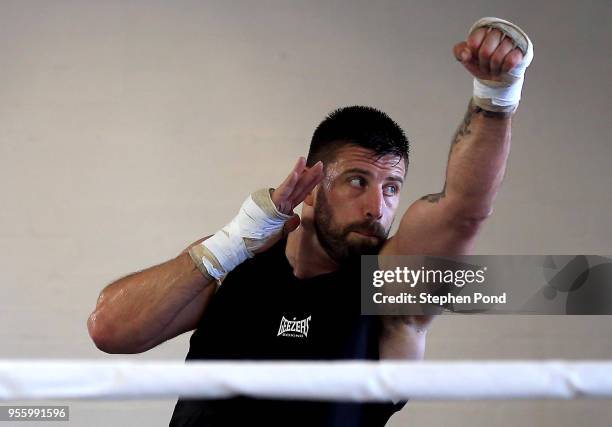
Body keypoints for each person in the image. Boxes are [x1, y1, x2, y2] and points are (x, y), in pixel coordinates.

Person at [87, 17, 533, 427]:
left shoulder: (390, 286)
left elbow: (463, 209)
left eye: (392, 187)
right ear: (314, 187)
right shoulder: (239, 258)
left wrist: (496, 98)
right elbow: (109, 330)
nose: (377, 207)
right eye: (358, 181)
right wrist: (229, 244)